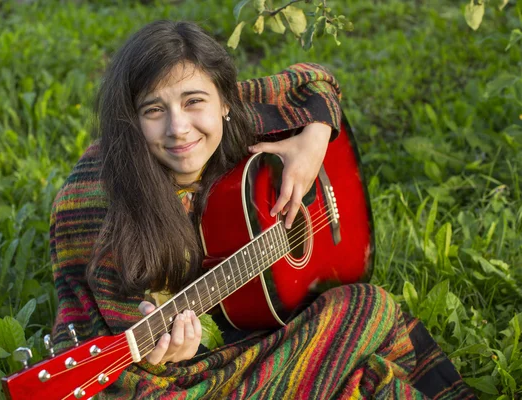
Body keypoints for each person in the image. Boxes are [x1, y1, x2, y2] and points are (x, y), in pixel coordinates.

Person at [49, 20, 476, 399]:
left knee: (368, 305)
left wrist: (313, 142)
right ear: (130, 119)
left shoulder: (238, 109)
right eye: (154, 110)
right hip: (190, 365)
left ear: (226, 102)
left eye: (194, 102)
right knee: (367, 309)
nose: (179, 128)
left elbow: (316, 80)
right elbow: (116, 333)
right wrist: (169, 355)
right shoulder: (97, 200)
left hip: (253, 319)